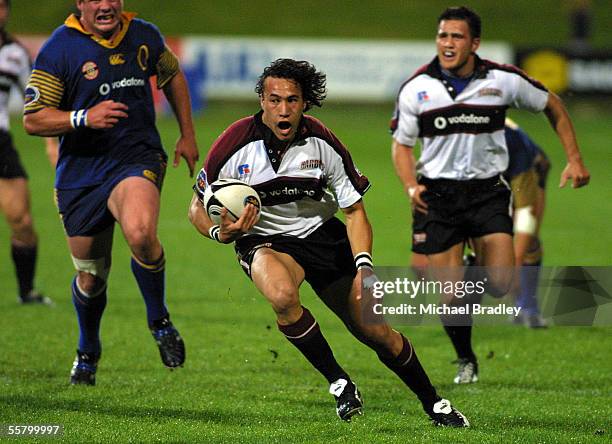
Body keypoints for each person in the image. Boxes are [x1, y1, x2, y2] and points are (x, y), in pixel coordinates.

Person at [189, 58, 469, 427]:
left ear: (305, 102)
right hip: (265, 242)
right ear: (261, 100)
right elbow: (197, 206)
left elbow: (354, 212)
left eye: (292, 100)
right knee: (282, 296)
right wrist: (217, 232)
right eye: (274, 100)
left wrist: (365, 269)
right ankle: (339, 381)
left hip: (323, 237)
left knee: (376, 333)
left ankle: (433, 403)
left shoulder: (322, 142)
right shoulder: (234, 143)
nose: (283, 109)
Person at [390, 6, 589, 385]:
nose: (447, 43)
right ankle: (466, 358)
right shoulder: (417, 88)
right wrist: (410, 186)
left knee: (499, 284)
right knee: (449, 298)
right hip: (438, 195)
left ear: (474, 43)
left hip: (487, 193)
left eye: (457, 36)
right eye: (443, 35)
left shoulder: (503, 81)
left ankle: (470, 263)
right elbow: (401, 146)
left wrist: (574, 159)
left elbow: (553, 106)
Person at [23, 0, 199, 385]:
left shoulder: (143, 35)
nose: (106, 5)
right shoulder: (60, 48)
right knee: (90, 275)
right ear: (80, 3)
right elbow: (34, 120)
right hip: (81, 172)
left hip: (135, 157)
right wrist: (83, 117)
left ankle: (159, 321)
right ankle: (88, 350)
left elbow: (173, 76)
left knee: (140, 232)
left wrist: (187, 134)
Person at [412, 119, 550, 328]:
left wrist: (516, 263)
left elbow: (525, 213)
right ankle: (471, 281)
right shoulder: (447, 145)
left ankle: (527, 309)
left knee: (527, 240)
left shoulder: (512, 143)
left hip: (529, 171)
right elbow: (426, 194)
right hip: (480, 183)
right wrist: (422, 246)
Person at [0, 0, 54, 305]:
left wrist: (50, 143)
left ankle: (26, 291)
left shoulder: (15, 54)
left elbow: (37, 102)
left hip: (0, 142)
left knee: (21, 221)